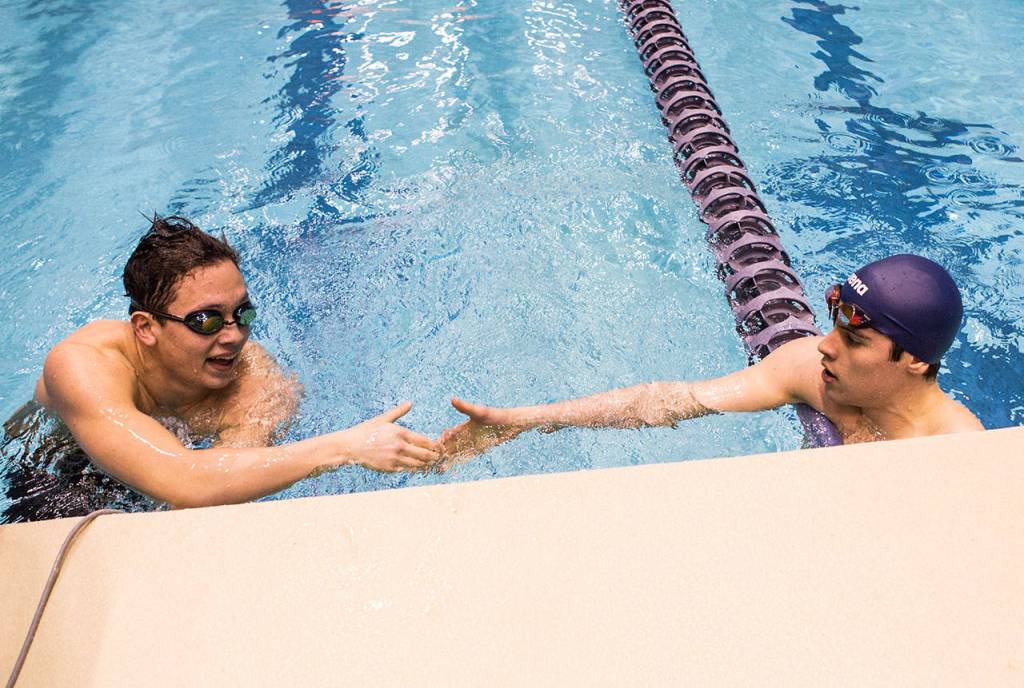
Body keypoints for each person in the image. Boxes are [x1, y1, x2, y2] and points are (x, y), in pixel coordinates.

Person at [1, 215, 439, 521]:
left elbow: (210, 496)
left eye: (242, 313)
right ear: (145, 328)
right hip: (52, 468)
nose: (233, 336)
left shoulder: (258, 385)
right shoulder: (83, 365)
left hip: (163, 476)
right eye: (206, 319)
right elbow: (184, 481)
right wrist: (343, 447)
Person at [438, 254, 984, 464]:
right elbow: (669, 401)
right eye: (835, 326)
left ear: (914, 361)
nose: (825, 344)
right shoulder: (812, 375)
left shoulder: (957, 453)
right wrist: (522, 421)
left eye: (856, 341)